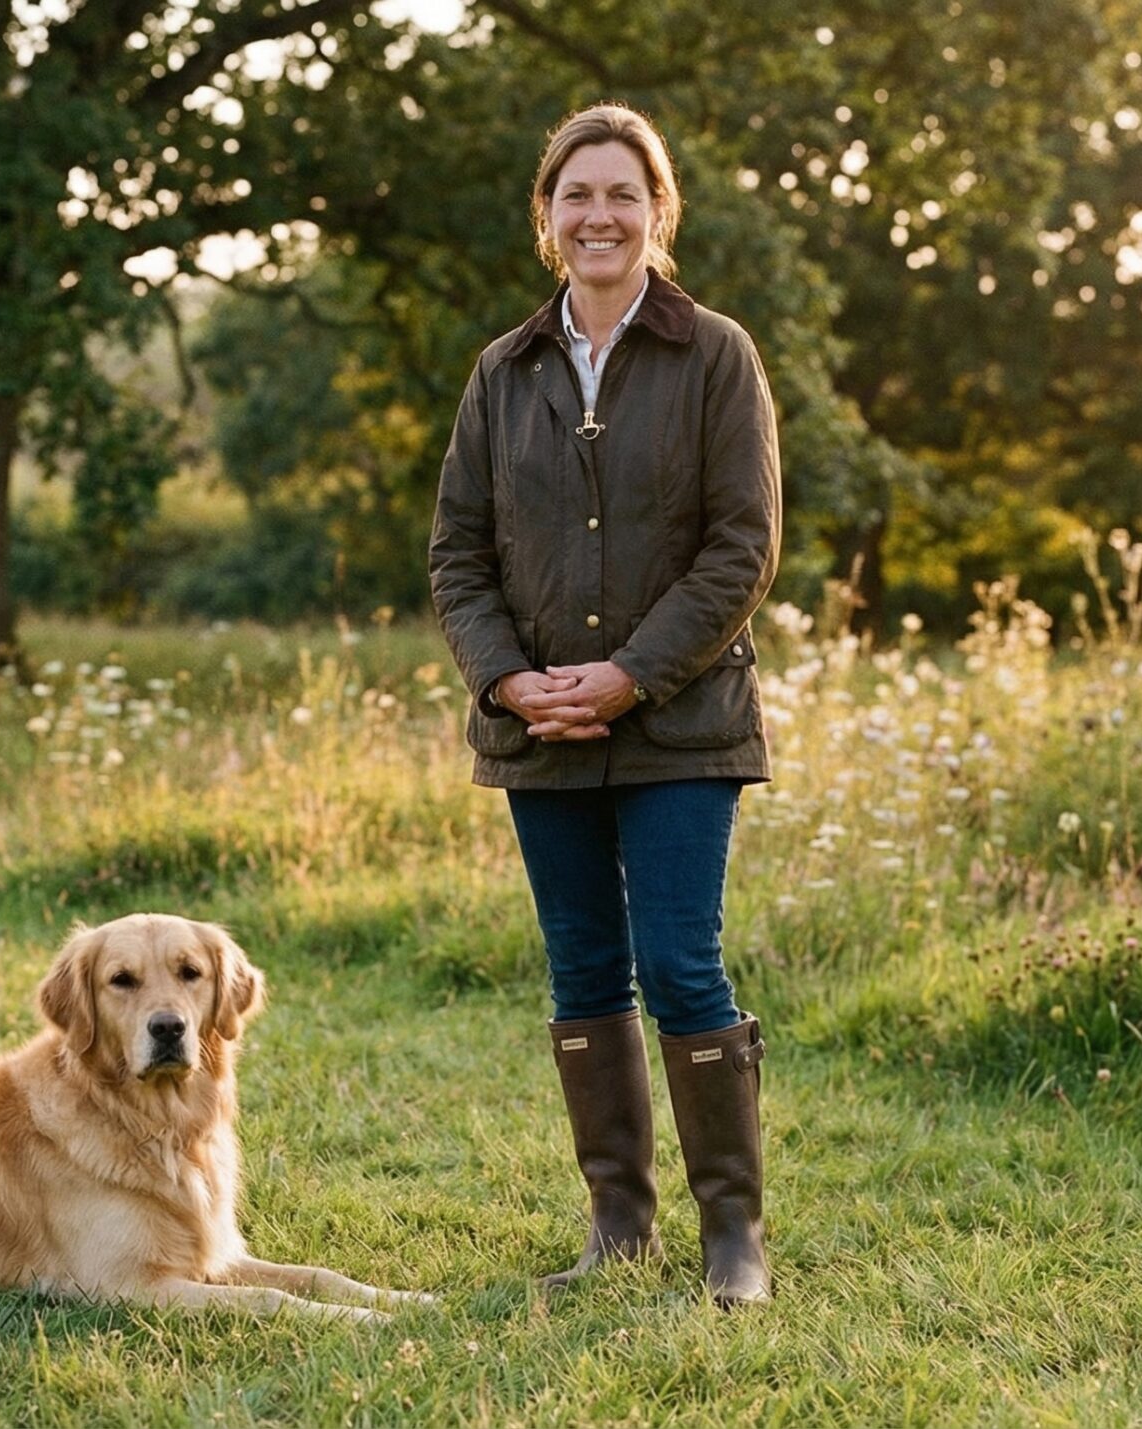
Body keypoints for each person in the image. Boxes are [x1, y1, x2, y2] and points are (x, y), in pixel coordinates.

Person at [427, 103, 780, 1307]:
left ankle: (733, 1233)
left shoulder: (715, 355)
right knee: (582, 968)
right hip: (540, 733)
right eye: (576, 194)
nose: (599, 215)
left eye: (622, 194)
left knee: (680, 964)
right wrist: (505, 678)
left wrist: (629, 675)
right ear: (546, 218)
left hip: (683, 724)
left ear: (657, 213)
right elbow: (457, 556)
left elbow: (742, 549)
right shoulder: (502, 371)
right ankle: (616, 1224)